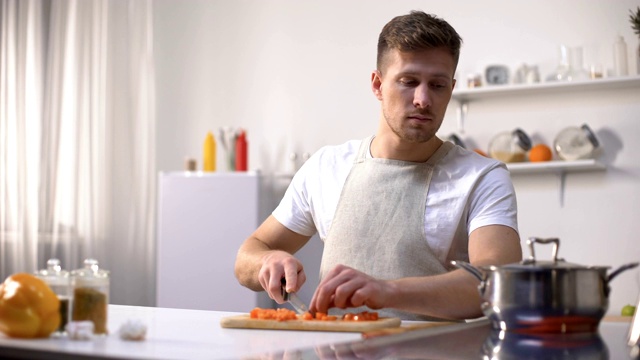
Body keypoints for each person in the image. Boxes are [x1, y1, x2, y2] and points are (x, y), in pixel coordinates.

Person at [235, 10, 522, 321]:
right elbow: (249, 253)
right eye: (408, 81)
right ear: (377, 85)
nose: (423, 99)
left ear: (451, 89)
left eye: (437, 85)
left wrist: (389, 292)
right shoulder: (326, 167)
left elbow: (497, 282)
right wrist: (268, 260)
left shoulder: (481, 177)